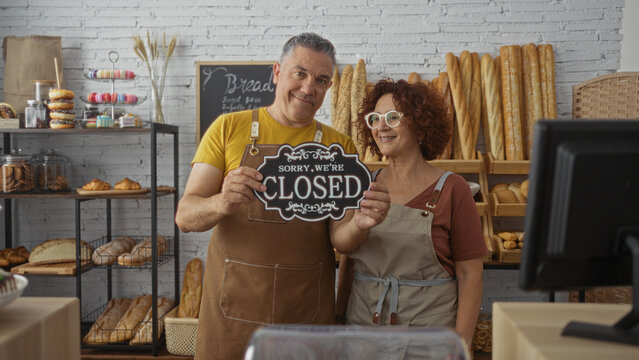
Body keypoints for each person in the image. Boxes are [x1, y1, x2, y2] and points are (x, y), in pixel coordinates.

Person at [175, 33, 390, 360]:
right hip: (231, 311)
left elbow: (343, 241)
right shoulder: (228, 128)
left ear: (328, 87)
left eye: (320, 79)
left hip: (305, 311)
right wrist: (221, 201)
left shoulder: (339, 148)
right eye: (299, 73)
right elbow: (185, 217)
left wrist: (360, 224)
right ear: (277, 73)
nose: (308, 88)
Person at [335, 79, 487, 346]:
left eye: (393, 117)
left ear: (420, 125)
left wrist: (461, 347)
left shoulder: (453, 189)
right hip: (362, 331)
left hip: (428, 337)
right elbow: (349, 261)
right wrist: (337, 318)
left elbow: (470, 274)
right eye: (376, 118)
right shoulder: (361, 185)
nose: (381, 126)